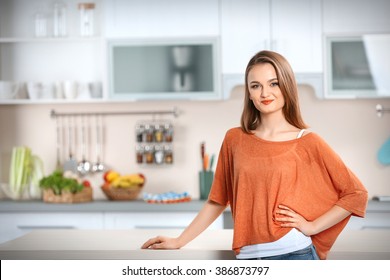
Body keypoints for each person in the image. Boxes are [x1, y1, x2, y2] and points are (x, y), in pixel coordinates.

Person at [141, 50, 368, 260]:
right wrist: (179, 240)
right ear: (249, 93)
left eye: (273, 83)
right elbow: (217, 200)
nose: (265, 93)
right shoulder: (234, 139)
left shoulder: (307, 141)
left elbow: (356, 194)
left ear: (286, 87)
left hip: (295, 254)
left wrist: (313, 226)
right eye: (256, 86)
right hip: (247, 257)